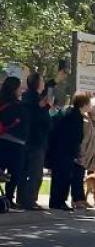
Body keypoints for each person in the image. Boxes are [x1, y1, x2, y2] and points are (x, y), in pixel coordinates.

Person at [47, 92, 88, 210]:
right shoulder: (76, 116)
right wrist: (77, 153)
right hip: (66, 151)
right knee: (64, 177)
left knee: (57, 177)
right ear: (84, 104)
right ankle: (60, 201)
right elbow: (76, 137)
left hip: (58, 149)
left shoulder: (67, 112)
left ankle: (54, 201)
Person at [19, 73, 52, 210]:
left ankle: (22, 199)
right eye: (42, 81)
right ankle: (30, 200)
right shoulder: (34, 101)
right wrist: (44, 107)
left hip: (29, 140)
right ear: (37, 83)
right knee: (35, 173)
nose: (43, 83)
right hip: (36, 141)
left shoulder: (29, 98)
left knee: (25, 172)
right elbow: (39, 118)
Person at [0, 77, 26, 206]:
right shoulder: (17, 105)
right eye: (19, 87)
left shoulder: (2, 101)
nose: (21, 90)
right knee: (14, 172)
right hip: (15, 142)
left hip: (2, 139)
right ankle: (9, 197)